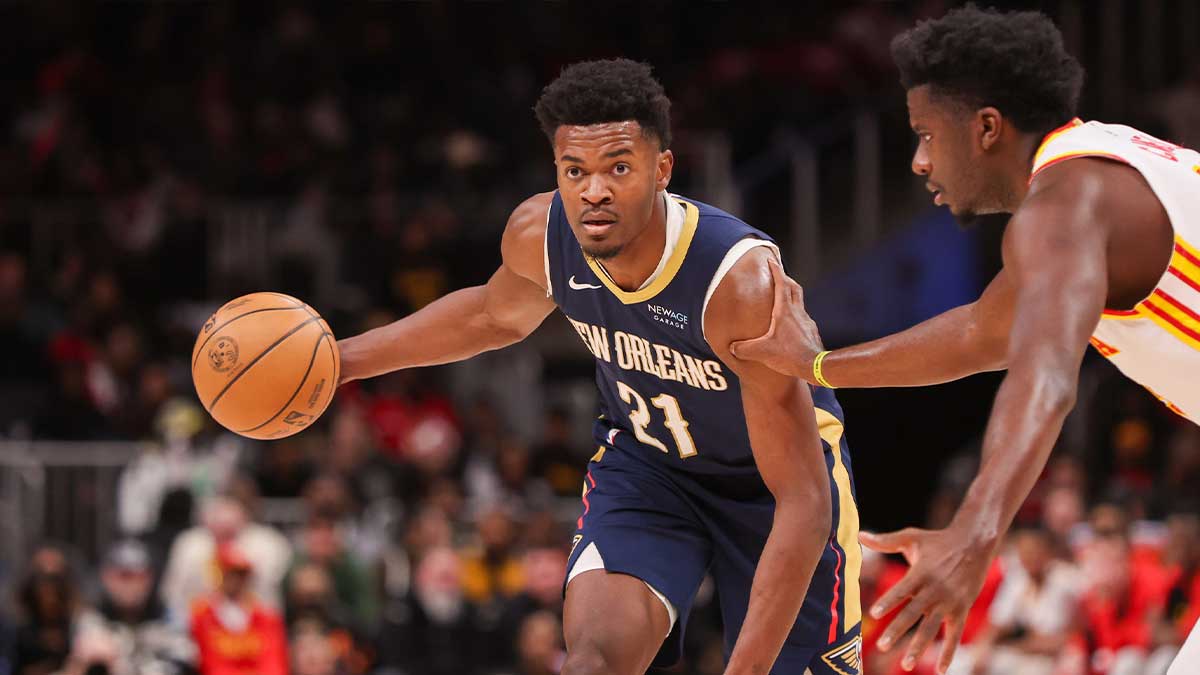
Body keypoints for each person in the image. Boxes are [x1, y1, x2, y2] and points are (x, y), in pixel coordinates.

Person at [336, 58, 862, 674]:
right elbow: (490, 316)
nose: (594, 191)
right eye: (574, 170)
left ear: (662, 169)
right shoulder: (543, 234)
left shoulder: (734, 282)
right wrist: (339, 363)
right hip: (649, 470)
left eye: (618, 167)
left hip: (772, 490)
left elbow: (802, 500)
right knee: (592, 663)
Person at [727, 6, 1200, 674]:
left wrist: (976, 529)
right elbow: (983, 332)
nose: (919, 161)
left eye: (925, 134)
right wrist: (816, 363)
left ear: (985, 128)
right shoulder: (1094, 172)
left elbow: (1046, 375)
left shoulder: (1063, 208)